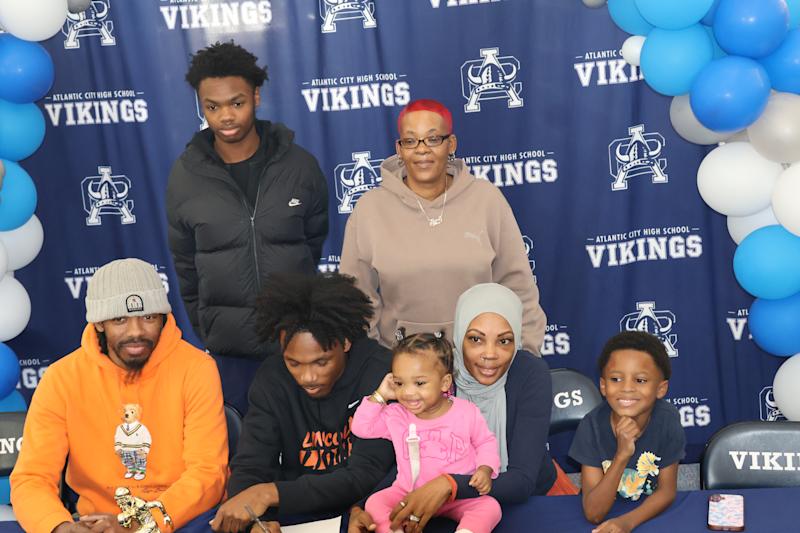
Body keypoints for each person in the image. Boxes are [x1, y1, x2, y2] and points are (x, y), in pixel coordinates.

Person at [166, 41, 329, 413]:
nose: (225, 116)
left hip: (297, 346)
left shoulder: (299, 166)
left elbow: (314, 241)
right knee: (240, 461)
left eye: (236, 103)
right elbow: (186, 264)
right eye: (212, 106)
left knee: (300, 462)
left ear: (256, 96)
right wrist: (209, 329)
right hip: (228, 355)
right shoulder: (185, 175)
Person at [10, 258, 227, 533]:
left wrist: (139, 524)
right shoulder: (61, 378)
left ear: (163, 317)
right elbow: (32, 478)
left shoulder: (196, 368)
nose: (136, 332)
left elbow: (208, 475)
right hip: (97, 523)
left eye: (148, 317)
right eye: (120, 319)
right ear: (99, 323)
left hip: (182, 521)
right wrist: (61, 528)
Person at [349, 283, 575, 533]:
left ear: (517, 340)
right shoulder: (437, 372)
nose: (490, 354)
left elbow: (522, 482)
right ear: (459, 337)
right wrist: (361, 507)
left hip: (527, 496)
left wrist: (450, 485)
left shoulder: (529, 373)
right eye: (476, 339)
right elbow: (415, 450)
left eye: (504, 341)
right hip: (446, 498)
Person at [339, 98, 546, 355]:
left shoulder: (486, 199)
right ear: (399, 149)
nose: (422, 150)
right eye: (411, 141)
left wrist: (525, 353)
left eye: (433, 139)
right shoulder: (370, 209)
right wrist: (370, 363)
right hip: (405, 370)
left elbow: (518, 287)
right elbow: (356, 298)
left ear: (451, 144)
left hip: (480, 365)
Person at [210, 273, 395, 533]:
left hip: (361, 510)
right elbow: (251, 464)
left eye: (321, 362)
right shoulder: (272, 378)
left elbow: (367, 473)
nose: (308, 377)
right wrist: (253, 520)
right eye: (293, 363)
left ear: (345, 342)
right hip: (293, 514)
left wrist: (267, 494)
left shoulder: (380, 372)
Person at [352, 333, 502, 533]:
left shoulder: (466, 411)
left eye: (419, 383)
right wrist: (380, 395)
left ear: (445, 383)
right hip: (407, 494)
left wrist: (485, 468)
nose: (408, 392)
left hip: (456, 497)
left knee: (490, 507)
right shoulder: (396, 416)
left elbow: (485, 442)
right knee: (375, 502)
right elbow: (361, 427)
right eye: (399, 383)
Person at [569, 331, 685, 533]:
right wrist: (622, 455)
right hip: (603, 506)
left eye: (640, 380)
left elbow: (667, 491)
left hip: (649, 514)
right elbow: (594, 513)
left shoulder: (668, 420)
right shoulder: (591, 426)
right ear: (603, 386)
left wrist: (628, 522)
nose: (627, 388)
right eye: (615, 379)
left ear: (661, 388)